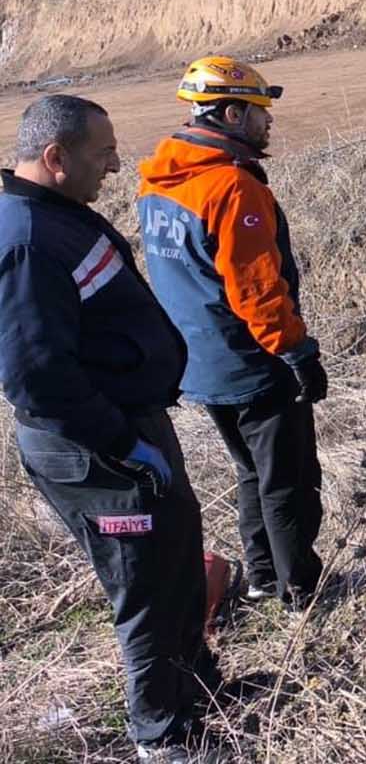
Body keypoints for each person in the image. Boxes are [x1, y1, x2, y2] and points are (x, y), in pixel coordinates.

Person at [0, 95, 222, 762]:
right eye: (104, 153)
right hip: (94, 448)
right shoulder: (26, 242)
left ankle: (198, 695)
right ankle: (165, 737)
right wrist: (125, 446)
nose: (119, 164)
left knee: (178, 556)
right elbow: (36, 376)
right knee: (145, 586)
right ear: (56, 158)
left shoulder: (54, 215)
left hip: (130, 427)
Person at [135, 57, 327, 608]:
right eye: (261, 113)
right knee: (289, 480)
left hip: (200, 361)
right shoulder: (231, 188)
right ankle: (301, 594)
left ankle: (264, 576)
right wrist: (296, 352)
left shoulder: (160, 183)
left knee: (250, 472)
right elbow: (256, 289)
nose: (269, 125)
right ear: (234, 113)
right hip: (252, 362)